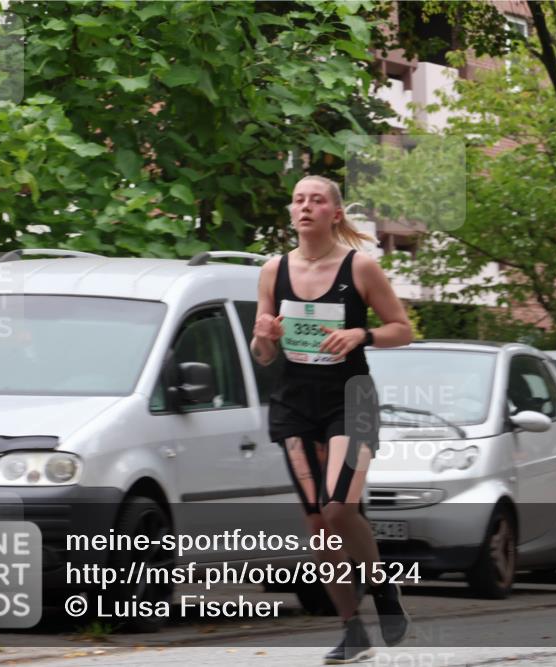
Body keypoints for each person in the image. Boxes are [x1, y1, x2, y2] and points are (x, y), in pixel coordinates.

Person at [251, 175, 414, 664]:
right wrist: (265, 336)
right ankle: (352, 630)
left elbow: (402, 330)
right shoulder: (272, 270)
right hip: (294, 401)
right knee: (320, 524)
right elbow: (262, 354)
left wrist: (361, 335)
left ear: (335, 214)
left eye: (316, 200)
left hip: (351, 399)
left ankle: (384, 592)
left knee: (341, 507)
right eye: (299, 200)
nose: (306, 207)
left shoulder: (359, 267)